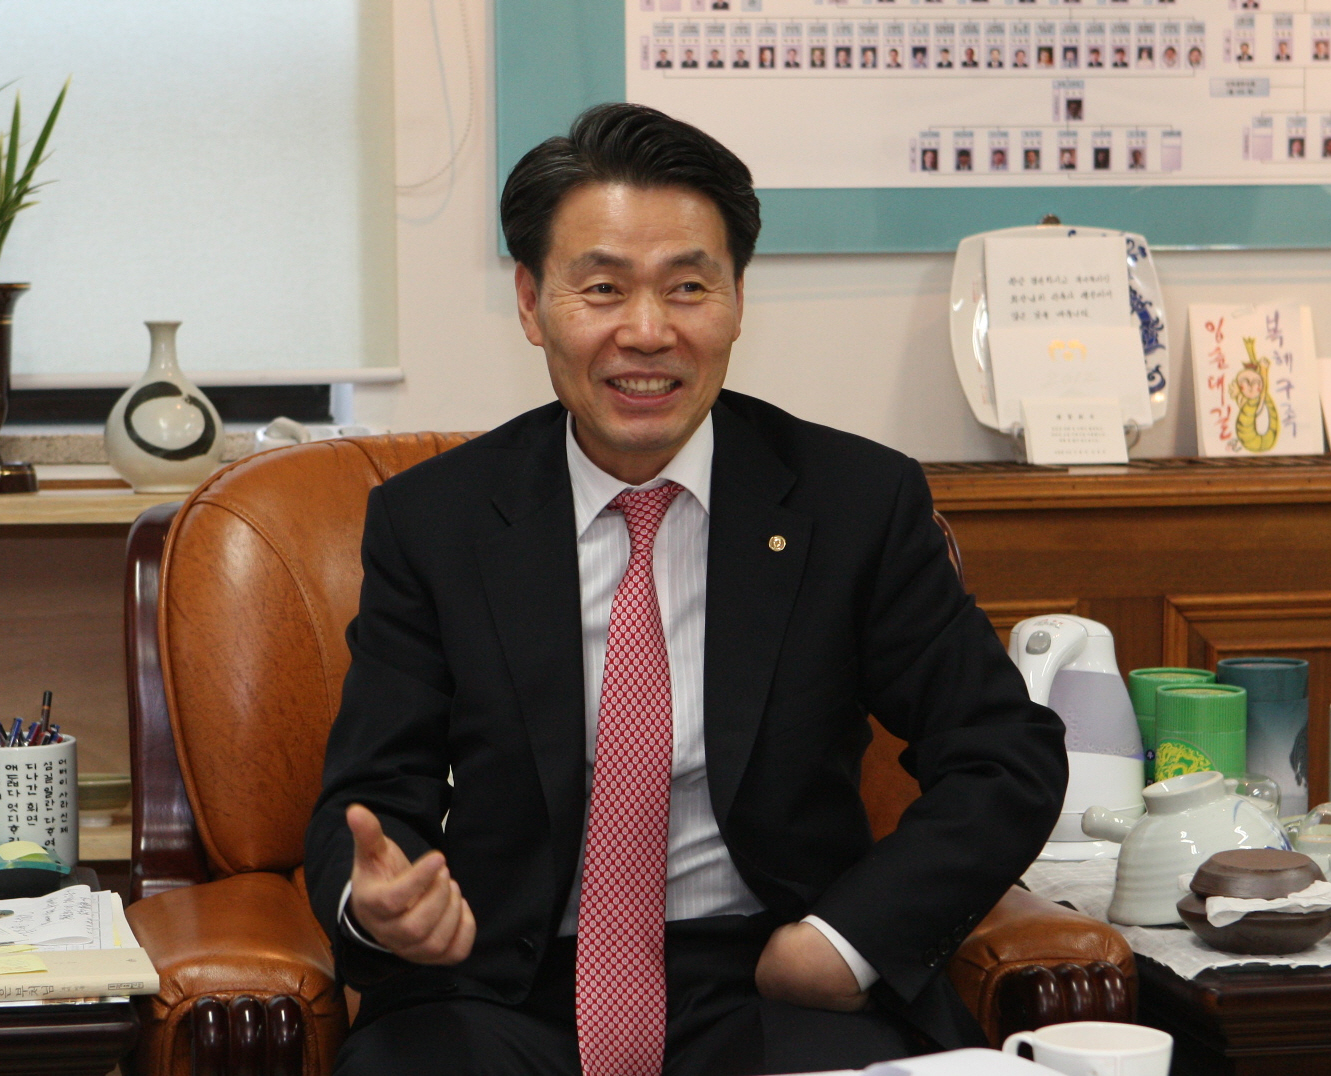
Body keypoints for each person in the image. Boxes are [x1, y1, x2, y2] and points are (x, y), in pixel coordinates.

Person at [306, 103, 1066, 1076]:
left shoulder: (852, 503)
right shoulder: (435, 522)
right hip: (503, 981)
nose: (647, 331)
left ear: (738, 300)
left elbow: (1001, 753)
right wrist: (380, 905)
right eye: (601, 288)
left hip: (769, 973)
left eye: (688, 287)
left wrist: (844, 941)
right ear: (531, 302)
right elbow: (374, 792)